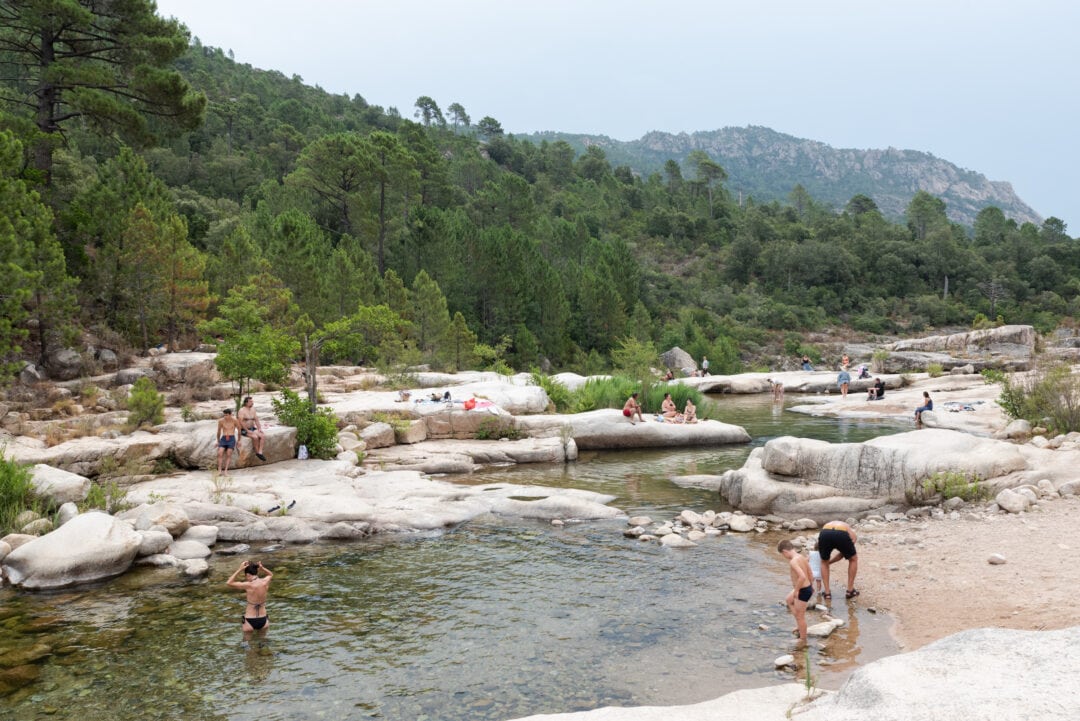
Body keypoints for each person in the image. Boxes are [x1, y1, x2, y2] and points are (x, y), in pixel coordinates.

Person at [777, 540, 813, 643]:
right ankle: (799, 625)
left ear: (785, 551)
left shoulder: (793, 561)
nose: (784, 557)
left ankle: (803, 639)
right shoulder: (801, 557)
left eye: (783, 554)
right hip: (806, 587)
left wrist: (796, 590)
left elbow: (802, 577)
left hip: (803, 590)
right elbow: (809, 572)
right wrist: (811, 585)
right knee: (788, 600)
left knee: (800, 616)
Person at [227, 560, 273, 634]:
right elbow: (270, 575)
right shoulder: (265, 581)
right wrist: (262, 568)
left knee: (246, 643)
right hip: (263, 619)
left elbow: (229, 583)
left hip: (250, 620)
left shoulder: (248, 585)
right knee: (262, 642)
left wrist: (240, 569)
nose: (246, 578)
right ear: (256, 572)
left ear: (248, 574)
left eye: (246, 576)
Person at [817, 521, 859, 600]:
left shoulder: (828, 524)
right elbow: (844, 554)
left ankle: (827, 593)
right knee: (853, 559)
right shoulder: (849, 530)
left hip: (825, 532)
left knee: (823, 561)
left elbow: (821, 549)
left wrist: (828, 562)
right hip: (841, 533)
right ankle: (850, 591)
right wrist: (831, 562)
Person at [238, 396, 267, 462]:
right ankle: (257, 452)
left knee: (262, 435)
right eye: (250, 402)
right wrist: (247, 430)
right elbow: (241, 422)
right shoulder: (242, 410)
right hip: (244, 429)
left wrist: (259, 428)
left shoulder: (253, 409)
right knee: (255, 437)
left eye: (252, 401)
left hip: (252, 428)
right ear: (246, 403)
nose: (252, 403)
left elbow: (256, 420)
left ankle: (260, 452)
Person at [216, 408, 242, 476]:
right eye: (224, 415)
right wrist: (218, 440)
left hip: (231, 438)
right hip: (224, 438)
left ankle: (226, 471)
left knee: (228, 454)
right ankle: (219, 470)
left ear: (230, 414)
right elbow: (218, 431)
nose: (225, 416)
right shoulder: (221, 421)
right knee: (220, 453)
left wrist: (239, 440)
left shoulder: (235, 420)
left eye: (226, 415)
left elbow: (239, 430)